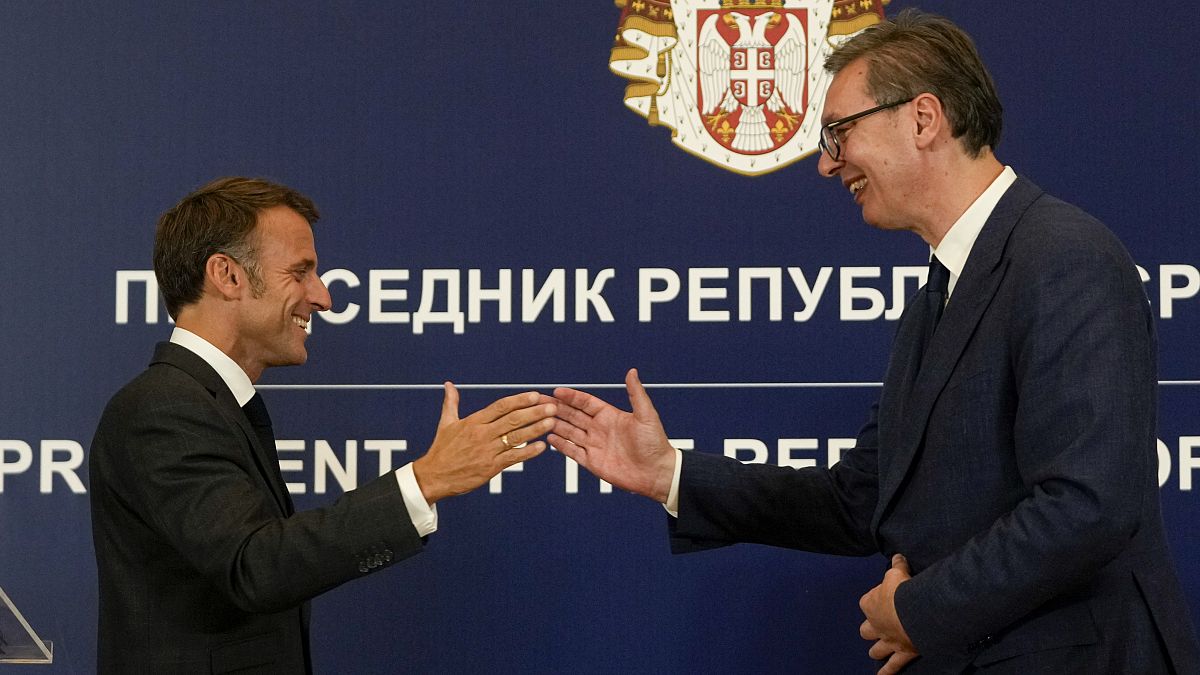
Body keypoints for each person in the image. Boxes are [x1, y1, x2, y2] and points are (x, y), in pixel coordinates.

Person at [547, 10, 1200, 674]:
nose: (829, 165)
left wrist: (919, 609)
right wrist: (671, 474)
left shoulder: (1064, 257)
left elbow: (1088, 506)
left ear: (923, 118)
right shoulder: (936, 298)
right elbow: (860, 498)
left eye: (839, 132)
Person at [89, 177, 556, 673]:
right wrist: (425, 481)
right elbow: (257, 566)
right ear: (227, 275)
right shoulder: (161, 409)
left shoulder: (210, 404)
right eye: (300, 272)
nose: (324, 297)